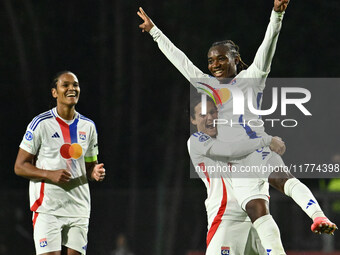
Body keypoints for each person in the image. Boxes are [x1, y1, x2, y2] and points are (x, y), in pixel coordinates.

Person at [137, 0, 337, 253]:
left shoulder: (253, 78)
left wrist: (277, 14)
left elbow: (269, 45)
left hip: (259, 151)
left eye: (221, 58)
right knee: (258, 210)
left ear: (236, 59)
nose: (215, 64)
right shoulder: (209, 86)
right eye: (211, 61)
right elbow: (182, 62)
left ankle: (318, 216)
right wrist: (155, 32)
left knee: (283, 180)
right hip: (238, 164)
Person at [14, 71, 106, 255]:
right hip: (48, 208)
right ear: (54, 92)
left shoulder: (88, 126)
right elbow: (19, 166)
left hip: (78, 208)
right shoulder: (40, 124)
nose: (72, 88)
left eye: (76, 85)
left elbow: (89, 167)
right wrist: (49, 174)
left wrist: (95, 172)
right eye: (66, 85)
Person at [188, 93, 286, 255]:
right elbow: (229, 151)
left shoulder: (239, 136)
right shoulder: (197, 141)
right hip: (227, 219)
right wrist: (267, 141)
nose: (210, 118)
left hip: (257, 218)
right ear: (193, 120)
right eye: (203, 114)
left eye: (213, 112)